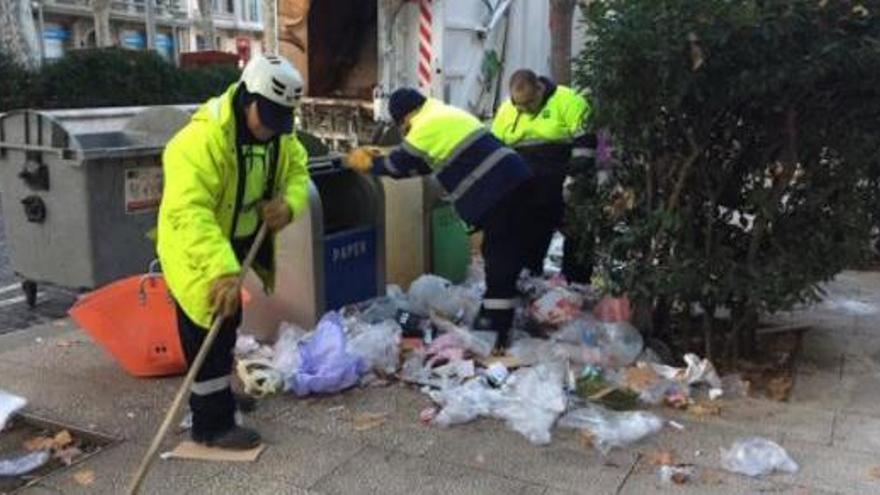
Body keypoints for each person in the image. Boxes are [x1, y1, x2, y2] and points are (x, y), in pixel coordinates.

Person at [157, 54, 309, 450]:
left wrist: (289, 204)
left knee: (228, 324)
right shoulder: (199, 141)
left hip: (231, 247)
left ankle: (219, 396)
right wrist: (219, 270)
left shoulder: (278, 135)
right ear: (246, 97)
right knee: (207, 331)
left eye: (283, 119)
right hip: (196, 252)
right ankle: (210, 424)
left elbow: (297, 171)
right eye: (270, 116)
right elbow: (188, 213)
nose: (273, 130)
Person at [345, 88, 533, 350]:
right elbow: (424, 164)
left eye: (401, 127)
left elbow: (397, 167)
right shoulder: (444, 113)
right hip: (517, 180)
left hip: (500, 190)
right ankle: (507, 318)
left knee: (499, 259)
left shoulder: (424, 125)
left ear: (404, 119)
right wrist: (382, 157)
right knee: (507, 255)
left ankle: (494, 332)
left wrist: (370, 165)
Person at [491, 69, 597, 284]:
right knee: (529, 230)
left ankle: (576, 282)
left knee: (576, 230)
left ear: (540, 88)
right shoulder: (507, 109)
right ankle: (531, 278)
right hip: (528, 181)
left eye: (529, 103)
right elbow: (496, 148)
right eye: (519, 105)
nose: (525, 110)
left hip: (564, 174)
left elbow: (586, 142)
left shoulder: (568, 100)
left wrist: (575, 179)